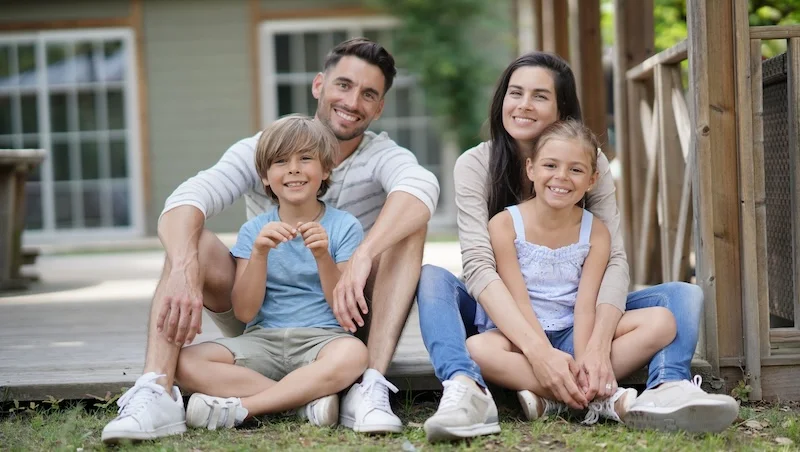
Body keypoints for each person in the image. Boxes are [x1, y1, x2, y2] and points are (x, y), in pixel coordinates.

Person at [101, 38, 439, 443]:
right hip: (260, 317)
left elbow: (421, 188)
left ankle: (368, 385)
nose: (353, 101)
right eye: (344, 85)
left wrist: (363, 253)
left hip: (340, 320)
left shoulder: (380, 157)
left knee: (409, 227)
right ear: (319, 85)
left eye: (369, 94)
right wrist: (183, 268)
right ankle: (157, 389)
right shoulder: (267, 149)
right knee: (190, 239)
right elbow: (188, 198)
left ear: (379, 106)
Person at [416, 52, 739, 443]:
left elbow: (612, 261)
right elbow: (482, 269)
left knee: (681, 298)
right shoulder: (476, 166)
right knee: (432, 279)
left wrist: (597, 347)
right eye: (515, 93)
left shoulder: (591, 163)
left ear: (562, 109)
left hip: (572, 317)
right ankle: (466, 387)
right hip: (502, 315)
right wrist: (540, 353)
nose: (523, 105)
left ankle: (667, 386)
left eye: (540, 96)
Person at [466, 119, 676, 427]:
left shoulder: (596, 232)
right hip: (523, 338)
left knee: (662, 322)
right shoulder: (504, 224)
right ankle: (595, 396)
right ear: (531, 169)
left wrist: (585, 358)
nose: (561, 177)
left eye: (576, 170)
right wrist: (545, 359)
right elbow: (519, 301)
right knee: (477, 348)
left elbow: (585, 305)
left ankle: (559, 395)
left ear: (592, 180)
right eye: (550, 165)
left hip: (573, 331)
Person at [170, 114, 366, 430]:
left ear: (326, 169)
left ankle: (245, 407)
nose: (293, 169)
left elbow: (343, 309)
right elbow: (245, 312)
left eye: (306, 158)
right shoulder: (253, 231)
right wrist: (259, 254)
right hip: (263, 341)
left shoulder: (345, 226)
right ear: (264, 176)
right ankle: (304, 400)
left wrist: (322, 257)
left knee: (355, 355)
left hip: (323, 341)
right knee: (184, 362)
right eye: (280, 162)